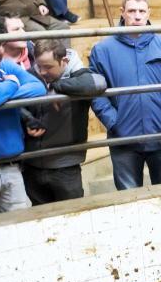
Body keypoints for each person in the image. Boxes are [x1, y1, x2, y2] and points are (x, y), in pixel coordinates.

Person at [88, 0, 161, 191]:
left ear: (149, 13)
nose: (137, 16)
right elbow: (95, 92)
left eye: (141, 11)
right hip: (124, 139)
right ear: (122, 12)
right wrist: (113, 121)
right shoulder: (103, 50)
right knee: (129, 200)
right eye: (132, 10)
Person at [21, 39, 106, 205]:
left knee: (72, 216)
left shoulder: (79, 76)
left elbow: (98, 83)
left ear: (64, 62)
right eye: (40, 66)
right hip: (32, 165)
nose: (43, 72)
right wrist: (27, 120)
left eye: (49, 67)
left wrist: (57, 86)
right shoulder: (32, 75)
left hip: (66, 166)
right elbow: (16, 104)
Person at [0, 12, 45, 215]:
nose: (1, 51)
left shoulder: (3, 67)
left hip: (12, 167)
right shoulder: (7, 75)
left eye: (3, 44)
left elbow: (38, 87)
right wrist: (10, 85)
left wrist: (0, 96)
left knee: (22, 230)